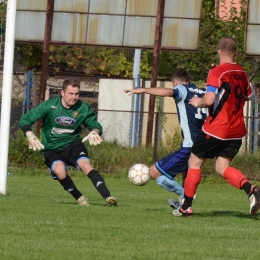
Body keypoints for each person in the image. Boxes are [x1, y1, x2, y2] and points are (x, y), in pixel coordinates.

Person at [174, 36, 260, 217]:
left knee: (194, 163)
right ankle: (250, 190)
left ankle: (186, 206)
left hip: (217, 128)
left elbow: (210, 99)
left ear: (219, 51)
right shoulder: (243, 73)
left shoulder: (217, 72)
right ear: (235, 52)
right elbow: (248, 96)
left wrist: (199, 102)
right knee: (222, 167)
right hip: (236, 131)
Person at [18, 78, 117, 206]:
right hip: (52, 148)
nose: (74, 97)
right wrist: (29, 134)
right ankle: (80, 198)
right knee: (60, 171)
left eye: (77, 94)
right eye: (71, 93)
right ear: (63, 93)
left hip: (73, 145)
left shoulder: (83, 108)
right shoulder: (50, 105)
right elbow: (25, 119)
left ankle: (109, 198)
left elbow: (95, 125)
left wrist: (94, 132)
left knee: (86, 165)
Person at [124, 68, 207, 209]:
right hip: (205, 142)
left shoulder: (182, 89)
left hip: (190, 145)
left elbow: (168, 92)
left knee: (154, 172)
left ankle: (185, 196)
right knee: (186, 173)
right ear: (190, 80)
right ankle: (185, 206)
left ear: (175, 82)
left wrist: (143, 90)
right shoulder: (203, 92)